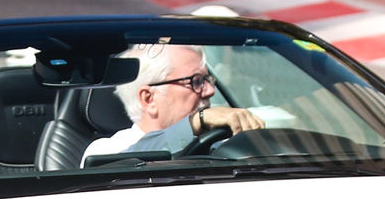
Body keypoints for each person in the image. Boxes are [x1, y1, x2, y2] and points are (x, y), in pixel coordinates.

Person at [81, 42, 268, 163]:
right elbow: (131, 160)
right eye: (195, 82)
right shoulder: (107, 151)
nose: (210, 90)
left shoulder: (223, 145)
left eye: (207, 80)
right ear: (149, 99)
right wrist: (197, 121)